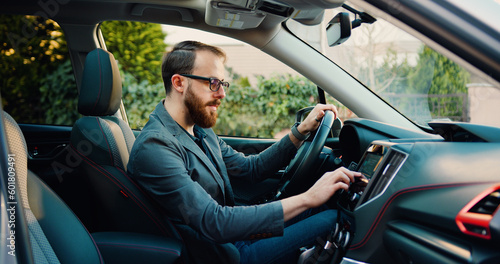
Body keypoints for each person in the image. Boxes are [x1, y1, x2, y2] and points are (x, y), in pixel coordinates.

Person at [127, 40, 362, 264]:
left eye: (222, 83)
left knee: (326, 204)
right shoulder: (155, 146)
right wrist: (308, 196)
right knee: (338, 219)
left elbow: (251, 169)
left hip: (234, 238)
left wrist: (300, 132)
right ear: (179, 83)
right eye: (212, 83)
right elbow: (214, 221)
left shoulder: (199, 130)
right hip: (224, 255)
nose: (222, 94)